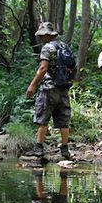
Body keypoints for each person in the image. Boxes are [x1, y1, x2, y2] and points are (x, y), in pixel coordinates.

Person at [25, 22, 72, 160]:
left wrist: (32, 85)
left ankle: (39, 149)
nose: (40, 38)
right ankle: (65, 150)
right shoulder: (64, 46)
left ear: (46, 35)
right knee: (64, 121)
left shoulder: (47, 48)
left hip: (49, 88)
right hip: (63, 88)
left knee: (42, 119)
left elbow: (43, 68)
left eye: (41, 36)